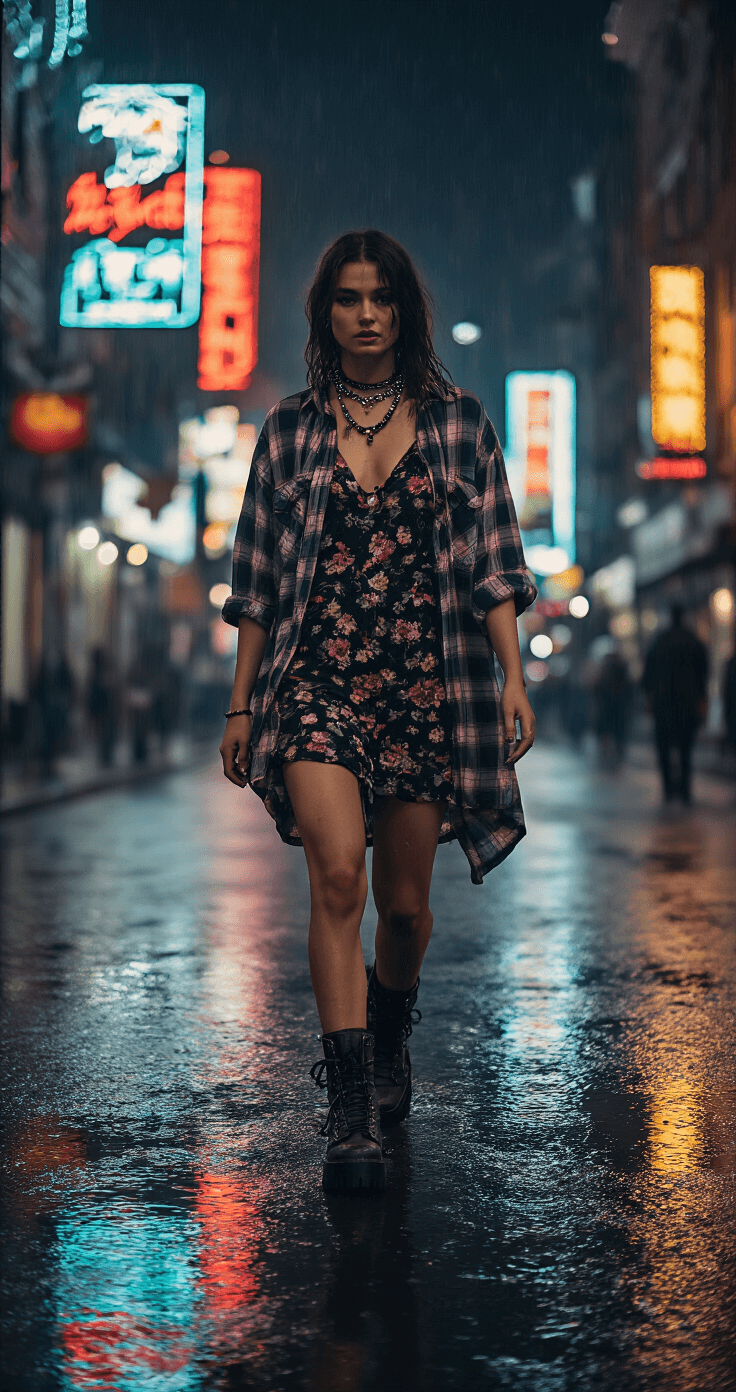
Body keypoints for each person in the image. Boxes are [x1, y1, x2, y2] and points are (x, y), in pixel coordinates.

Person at [219, 230, 537, 1194]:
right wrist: (242, 704)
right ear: (325, 316)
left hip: (426, 686)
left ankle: (390, 1033)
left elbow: (492, 565)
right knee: (336, 879)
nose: (365, 314)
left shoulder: (460, 424)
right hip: (317, 686)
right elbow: (260, 580)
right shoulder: (288, 431)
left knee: (403, 911)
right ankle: (349, 1105)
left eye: (381, 298)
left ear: (404, 311)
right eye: (347, 299)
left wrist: (511, 677)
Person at [642, 604, 708, 803]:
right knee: (686, 749)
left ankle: (669, 790)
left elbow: (647, 676)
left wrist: (649, 697)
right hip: (688, 704)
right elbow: (704, 674)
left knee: (664, 750)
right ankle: (685, 791)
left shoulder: (660, 641)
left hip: (664, 704)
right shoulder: (694, 642)